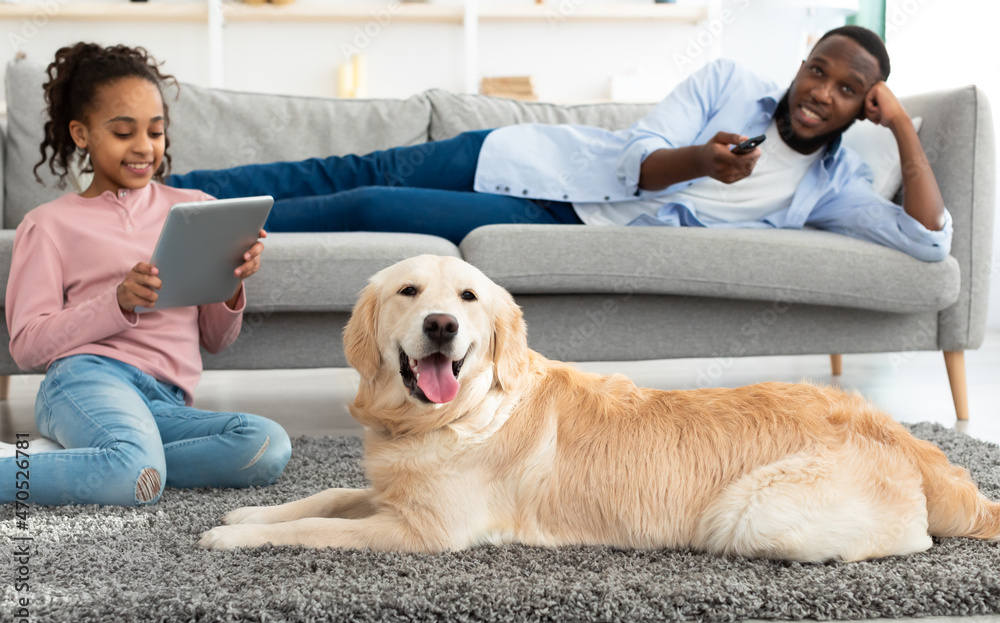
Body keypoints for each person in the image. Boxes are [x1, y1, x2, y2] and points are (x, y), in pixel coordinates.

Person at [167, 25, 950, 262]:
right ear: (800, 65)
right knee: (351, 166)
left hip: (559, 225)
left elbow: (926, 242)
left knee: (368, 202)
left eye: (848, 90)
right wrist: (700, 162)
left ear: (862, 108)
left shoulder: (831, 188)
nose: (820, 92)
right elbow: (642, 152)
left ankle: (190, 226)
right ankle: (171, 193)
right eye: (817, 70)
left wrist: (906, 128)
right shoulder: (725, 84)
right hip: (527, 159)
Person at [1, 43, 292, 507]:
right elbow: (27, 346)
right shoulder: (48, 224)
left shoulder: (196, 208)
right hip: (86, 380)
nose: (144, 147)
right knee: (134, 472)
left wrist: (232, 281)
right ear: (81, 134)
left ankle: (109, 459)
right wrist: (116, 303)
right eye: (122, 132)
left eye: (156, 132)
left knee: (266, 445)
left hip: (167, 402)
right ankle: (122, 461)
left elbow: (216, 340)